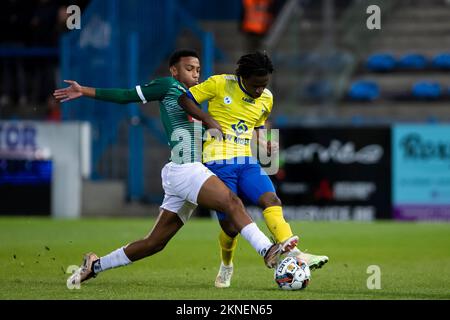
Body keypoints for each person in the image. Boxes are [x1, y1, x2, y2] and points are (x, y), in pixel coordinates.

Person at [54, 49, 298, 286]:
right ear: (174, 70)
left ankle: (94, 266)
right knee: (232, 202)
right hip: (186, 169)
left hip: (186, 172)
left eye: (198, 69)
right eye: (189, 68)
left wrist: (258, 141)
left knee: (154, 243)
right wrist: (83, 90)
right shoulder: (169, 87)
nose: (195, 73)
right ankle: (267, 249)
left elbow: (233, 124)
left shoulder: (199, 99)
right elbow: (124, 95)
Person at [178, 51, 329, 288]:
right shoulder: (220, 84)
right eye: (256, 85)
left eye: (264, 84)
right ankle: (227, 264)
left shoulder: (266, 98)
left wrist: (263, 142)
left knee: (271, 199)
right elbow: (185, 99)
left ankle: (296, 253)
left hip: (246, 161)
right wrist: (207, 119)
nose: (260, 90)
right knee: (230, 227)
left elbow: (255, 125)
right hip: (218, 162)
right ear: (243, 76)